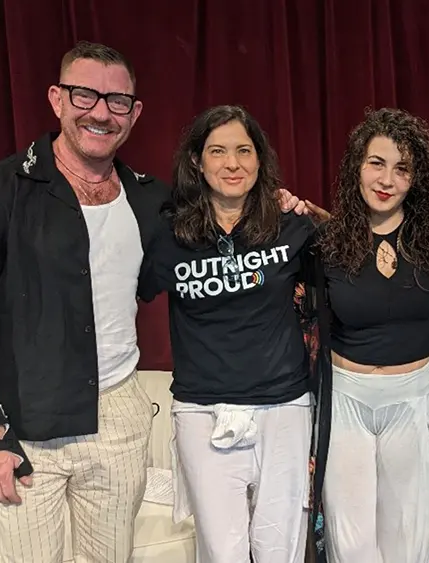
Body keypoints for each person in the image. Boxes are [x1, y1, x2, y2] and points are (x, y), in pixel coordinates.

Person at [0, 41, 165, 562]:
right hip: (24, 424)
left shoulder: (151, 199)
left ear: (135, 112)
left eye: (117, 101)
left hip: (120, 416)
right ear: (56, 98)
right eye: (85, 95)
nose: (101, 113)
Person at [137, 104, 316, 563]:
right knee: (223, 552)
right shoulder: (168, 234)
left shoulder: (290, 225)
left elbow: (358, 256)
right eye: (217, 151)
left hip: (284, 407)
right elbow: (120, 293)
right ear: (197, 161)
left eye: (243, 150)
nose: (232, 163)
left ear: (260, 160)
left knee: (281, 549)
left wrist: (311, 208)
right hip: (202, 409)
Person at [301, 107, 429, 563]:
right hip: (347, 398)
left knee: (410, 538)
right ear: (357, 166)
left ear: (417, 179)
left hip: (415, 397)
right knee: (350, 541)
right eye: (377, 163)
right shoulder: (325, 242)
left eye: (402, 168)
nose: (387, 179)